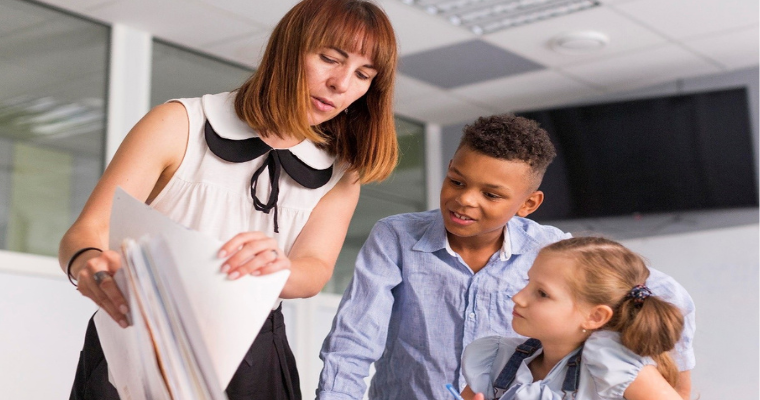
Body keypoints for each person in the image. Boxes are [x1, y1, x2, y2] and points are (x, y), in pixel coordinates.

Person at [59, 1, 398, 399]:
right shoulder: (179, 123)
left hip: (256, 355)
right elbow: (88, 229)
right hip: (141, 336)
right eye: (329, 59)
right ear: (288, 49)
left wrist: (276, 268)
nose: (341, 84)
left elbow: (315, 269)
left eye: (363, 75)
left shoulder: (341, 171)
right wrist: (86, 262)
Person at [316, 114, 695, 400]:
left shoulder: (552, 251)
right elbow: (351, 346)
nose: (465, 199)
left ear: (528, 204)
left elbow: (667, 296)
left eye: (492, 195)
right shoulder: (396, 236)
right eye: (457, 180)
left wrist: (671, 382)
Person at [460, 237, 685, 400]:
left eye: (542, 293)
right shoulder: (496, 360)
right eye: (528, 283)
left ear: (595, 316)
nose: (518, 297)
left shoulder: (613, 366)